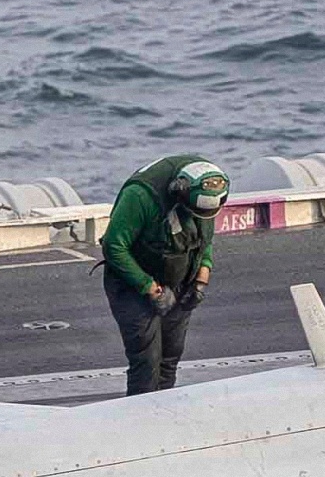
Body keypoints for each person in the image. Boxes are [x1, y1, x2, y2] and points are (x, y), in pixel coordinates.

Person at [97, 155, 228, 395]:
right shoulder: (140, 197)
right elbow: (114, 246)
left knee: (171, 356)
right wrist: (149, 287)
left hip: (181, 279)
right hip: (133, 282)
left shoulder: (208, 187)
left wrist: (201, 279)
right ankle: (141, 413)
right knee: (146, 362)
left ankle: (163, 410)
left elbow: (204, 238)